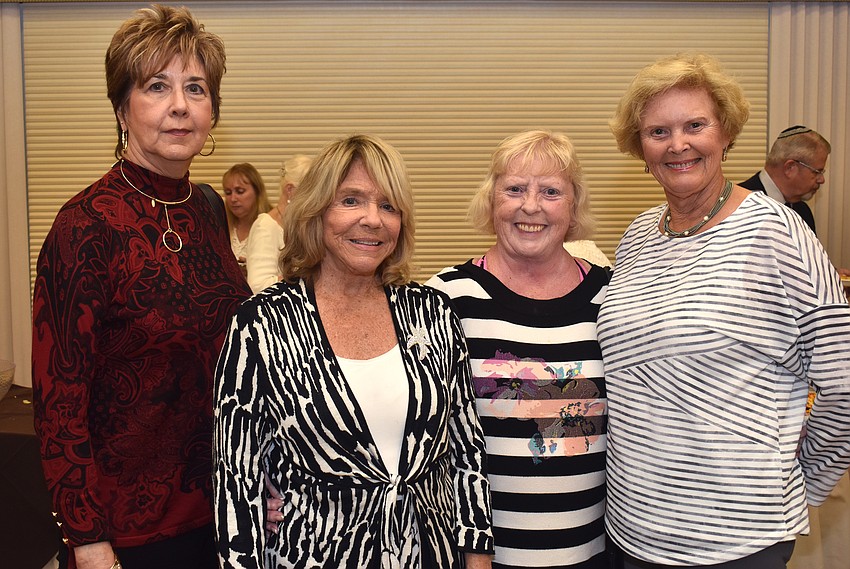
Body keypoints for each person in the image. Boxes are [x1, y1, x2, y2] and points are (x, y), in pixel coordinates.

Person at [599, 52, 850, 569]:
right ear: (641, 148)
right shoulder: (638, 235)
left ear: (726, 134)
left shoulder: (777, 231)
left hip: (736, 535)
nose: (678, 144)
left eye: (695, 125)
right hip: (633, 526)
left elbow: (844, 382)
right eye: (658, 131)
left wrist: (804, 480)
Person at [30, 5, 251, 569]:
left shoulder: (207, 209)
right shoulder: (85, 225)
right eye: (157, 86)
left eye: (196, 88)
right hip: (126, 534)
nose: (180, 105)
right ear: (121, 108)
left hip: (223, 513)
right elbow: (59, 403)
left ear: (213, 110)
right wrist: (86, 539)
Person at [214, 134, 494, 568]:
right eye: (351, 200)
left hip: (430, 555)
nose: (373, 219)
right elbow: (236, 478)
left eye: (388, 206)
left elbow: (465, 449)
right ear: (316, 211)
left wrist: (477, 556)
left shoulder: (432, 312)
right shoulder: (262, 323)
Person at [427, 130, 610, 568]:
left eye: (551, 191)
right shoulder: (445, 297)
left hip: (592, 552)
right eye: (514, 189)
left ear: (574, 206)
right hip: (478, 557)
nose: (531, 206)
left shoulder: (611, 296)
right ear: (491, 200)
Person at [739, 125, 830, 235]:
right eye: (816, 172)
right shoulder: (737, 205)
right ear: (790, 168)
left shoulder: (803, 211)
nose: (821, 180)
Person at [244, 154, 313, 293]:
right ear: (290, 190)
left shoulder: (302, 225)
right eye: (310, 190)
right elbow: (258, 286)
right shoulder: (265, 226)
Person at [222, 162, 271, 270]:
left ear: (257, 191)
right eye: (228, 193)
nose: (233, 199)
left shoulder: (272, 225)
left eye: (240, 191)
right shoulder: (221, 226)